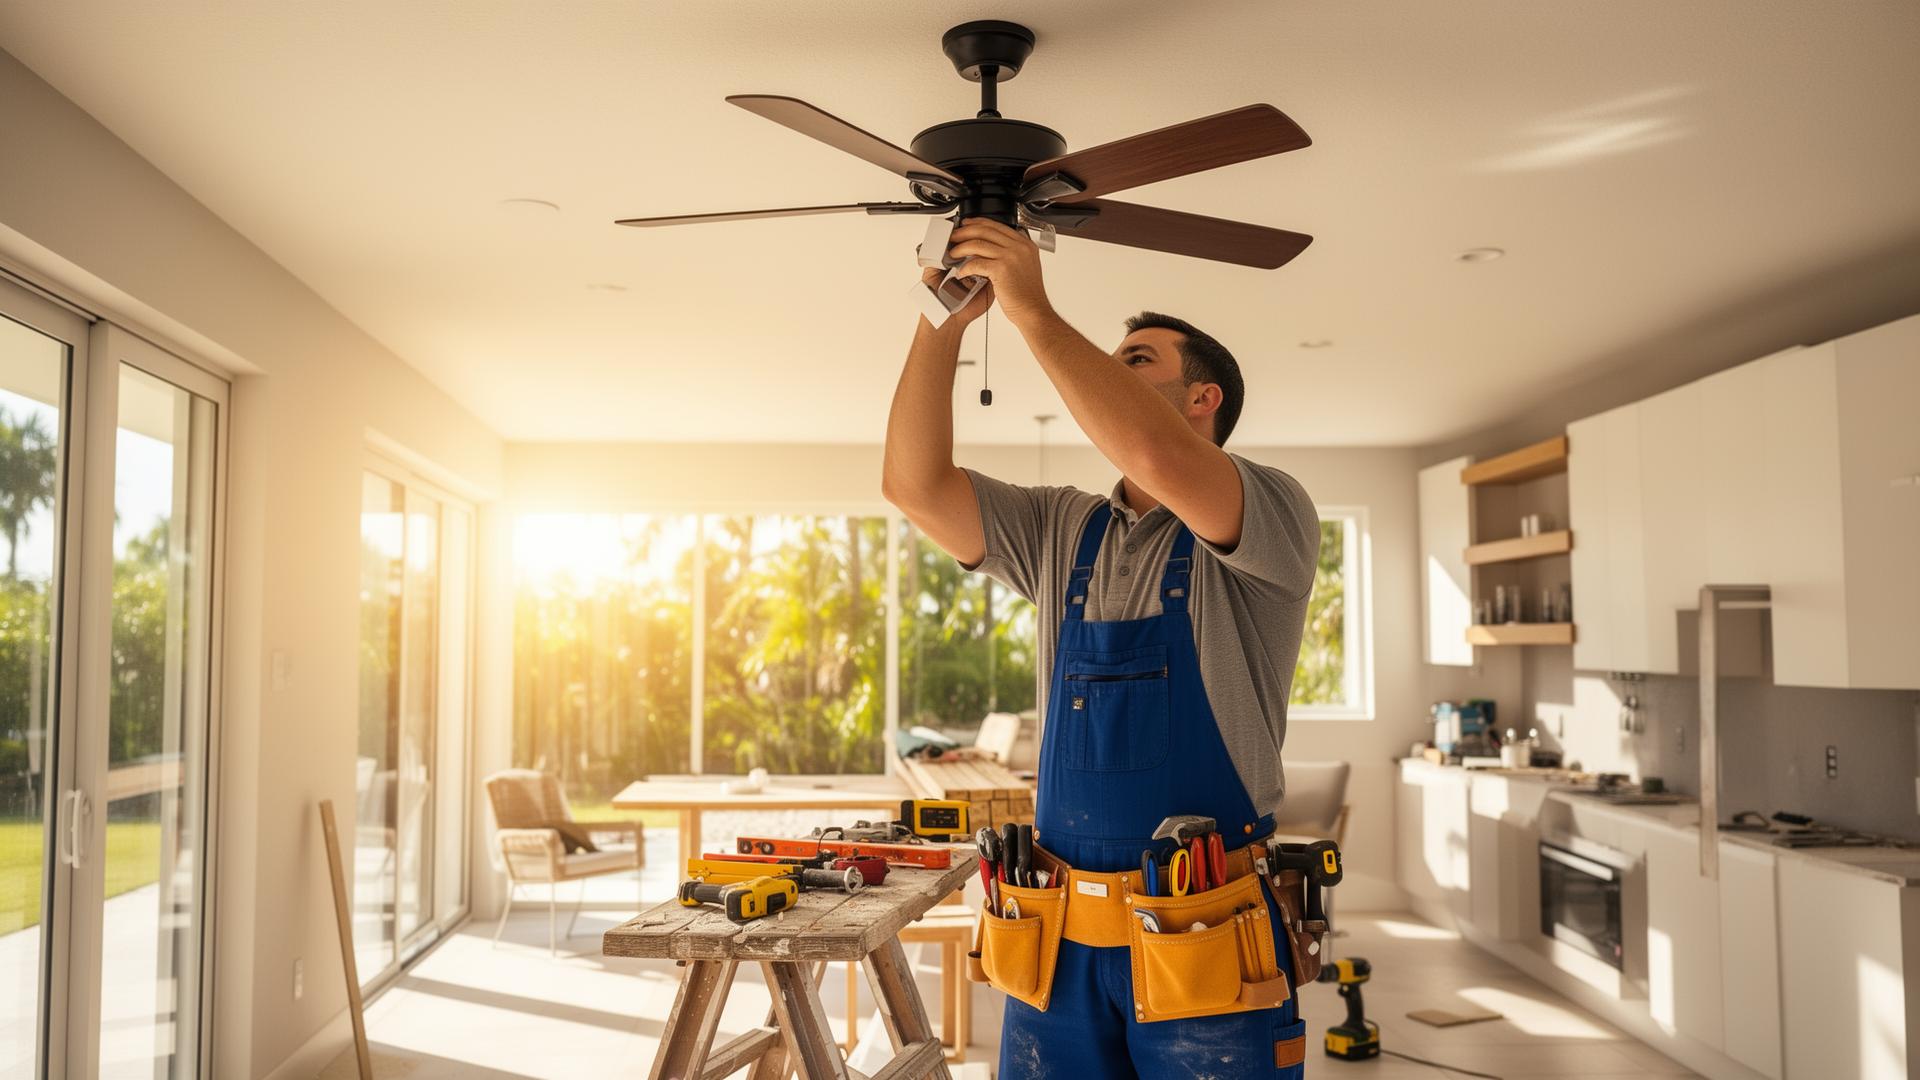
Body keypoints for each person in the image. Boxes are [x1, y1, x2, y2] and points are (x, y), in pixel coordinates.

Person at [882, 218, 1322, 1078]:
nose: (1110, 372)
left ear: (1203, 400)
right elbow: (915, 486)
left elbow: (1156, 453)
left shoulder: (1271, 510)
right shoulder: (1063, 527)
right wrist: (942, 323)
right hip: (1056, 931)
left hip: (1208, 928)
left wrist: (1033, 312)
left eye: (1136, 362)